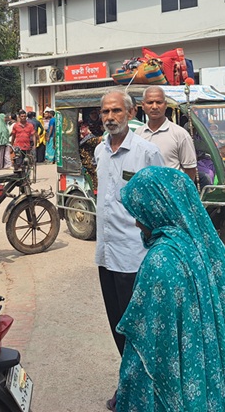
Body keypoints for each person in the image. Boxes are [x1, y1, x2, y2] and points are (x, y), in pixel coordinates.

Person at [116, 166, 225, 412]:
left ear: (157, 210)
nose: (137, 223)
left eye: (140, 213)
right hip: (210, 385)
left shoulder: (160, 262)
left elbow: (145, 347)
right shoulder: (208, 248)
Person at [93, 90, 164, 411]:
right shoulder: (100, 151)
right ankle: (130, 385)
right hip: (107, 256)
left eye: (116, 111)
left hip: (135, 257)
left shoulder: (147, 153)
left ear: (131, 113)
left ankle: (150, 392)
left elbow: (162, 204)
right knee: (118, 328)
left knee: (140, 330)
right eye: (105, 112)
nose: (110, 117)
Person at [135, 85, 197, 182]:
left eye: (159, 102)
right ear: (143, 105)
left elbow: (190, 170)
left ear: (165, 104)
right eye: (150, 102)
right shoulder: (138, 134)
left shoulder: (180, 134)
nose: (154, 107)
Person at [78, 121, 100, 190]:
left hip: (88, 160)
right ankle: (95, 190)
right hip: (88, 162)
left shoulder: (86, 138)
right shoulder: (88, 139)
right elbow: (98, 140)